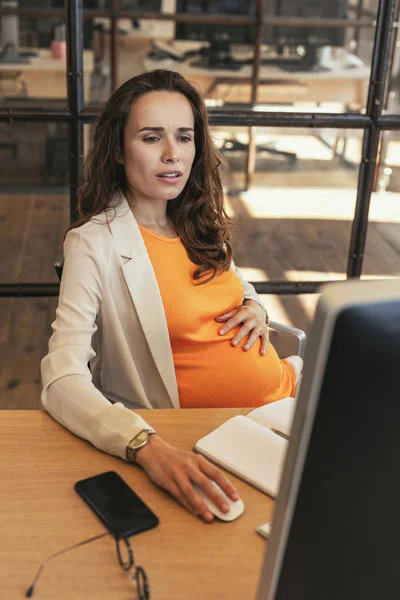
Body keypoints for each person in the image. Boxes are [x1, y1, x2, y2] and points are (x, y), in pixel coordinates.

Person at [41, 69, 302, 523]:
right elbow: (61, 377)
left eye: (184, 137)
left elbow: (238, 283)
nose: (171, 155)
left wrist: (255, 306)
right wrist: (144, 445)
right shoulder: (94, 243)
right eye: (150, 137)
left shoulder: (195, 220)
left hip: (287, 400)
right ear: (119, 151)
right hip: (217, 434)